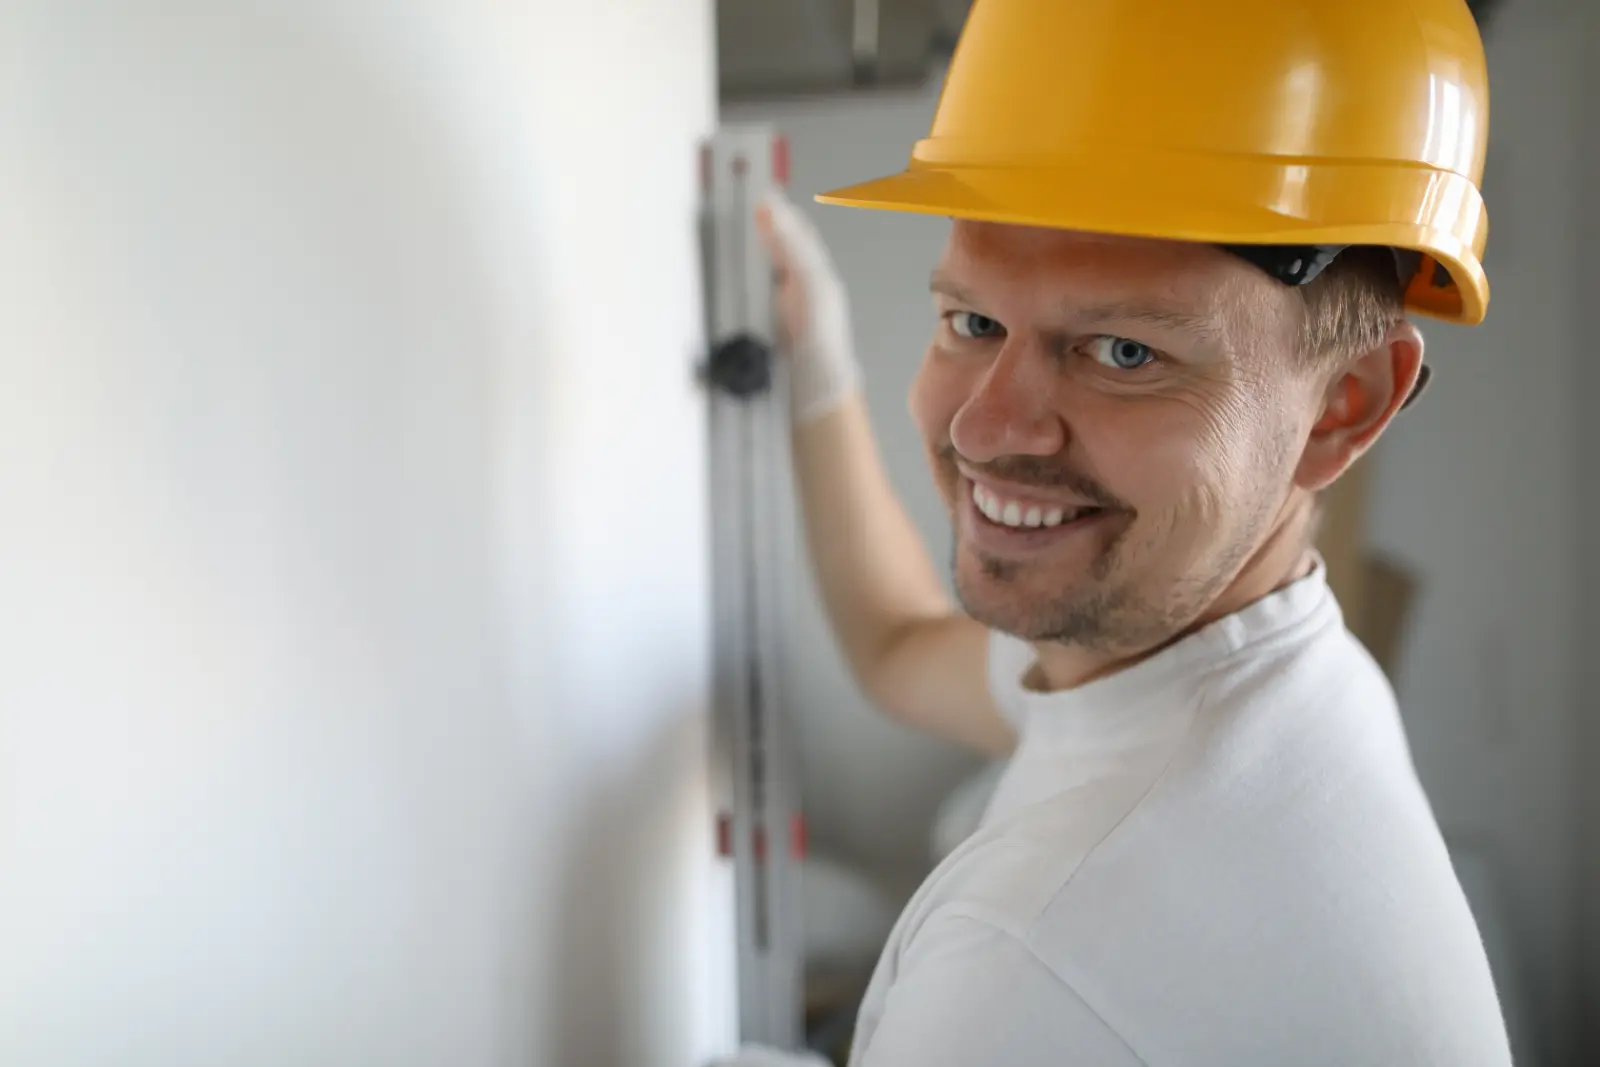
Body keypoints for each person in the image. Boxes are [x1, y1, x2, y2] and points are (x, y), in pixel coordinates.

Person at [718, 0, 1513, 1063]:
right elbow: (898, 649)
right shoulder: (1253, 677)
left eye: (1123, 352)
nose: (982, 426)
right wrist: (813, 362)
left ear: (1342, 405)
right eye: (973, 321)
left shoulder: (1033, 962)